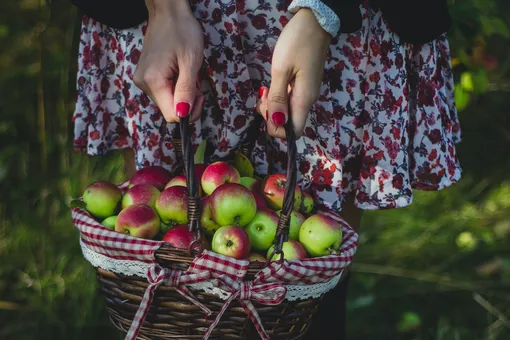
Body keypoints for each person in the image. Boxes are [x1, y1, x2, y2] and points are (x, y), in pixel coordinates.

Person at [70, 0, 462, 338]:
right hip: (180, 20)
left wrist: (323, 12)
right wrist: (165, 8)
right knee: (156, 267)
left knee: (307, 285)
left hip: (325, 25)